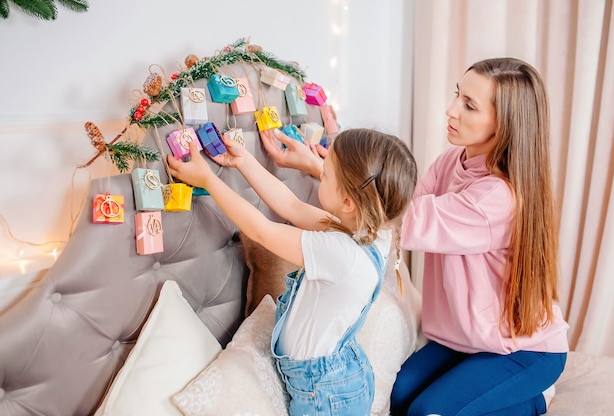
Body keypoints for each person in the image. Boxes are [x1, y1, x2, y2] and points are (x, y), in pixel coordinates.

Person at [261, 57, 569, 416]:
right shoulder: (451, 161)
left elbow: (394, 218)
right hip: (465, 339)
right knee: (402, 397)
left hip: (523, 350)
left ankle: (536, 398)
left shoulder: (497, 199)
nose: (450, 110)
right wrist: (329, 166)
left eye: (469, 106)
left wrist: (320, 167)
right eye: (458, 96)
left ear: (505, 125)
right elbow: (393, 204)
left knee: (426, 412)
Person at [167, 127, 418, 415]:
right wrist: (244, 161)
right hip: (340, 378)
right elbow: (293, 206)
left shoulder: (342, 254)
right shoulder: (372, 229)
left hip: (321, 394)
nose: (320, 175)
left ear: (349, 202)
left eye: (325, 175)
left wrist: (209, 180)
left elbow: (260, 230)